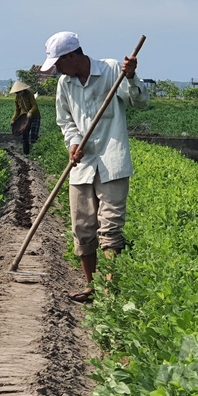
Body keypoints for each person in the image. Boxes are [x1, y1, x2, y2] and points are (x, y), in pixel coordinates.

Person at [38, 31, 150, 303]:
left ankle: (110, 291)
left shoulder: (112, 70)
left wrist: (132, 76)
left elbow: (141, 102)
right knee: (82, 228)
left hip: (112, 161)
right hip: (83, 165)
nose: (57, 70)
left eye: (58, 64)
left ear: (72, 56)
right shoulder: (65, 84)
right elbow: (65, 121)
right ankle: (92, 286)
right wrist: (73, 143)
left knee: (110, 229)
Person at [9, 80, 41, 155]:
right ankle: (26, 154)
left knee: (33, 136)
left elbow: (35, 106)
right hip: (24, 119)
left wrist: (30, 112)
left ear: (22, 90)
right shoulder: (17, 98)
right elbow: (17, 110)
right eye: (16, 92)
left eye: (18, 92)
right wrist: (13, 119)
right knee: (25, 136)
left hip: (35, 117)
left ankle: (35, 153)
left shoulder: (29, 95)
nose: (17, 93)